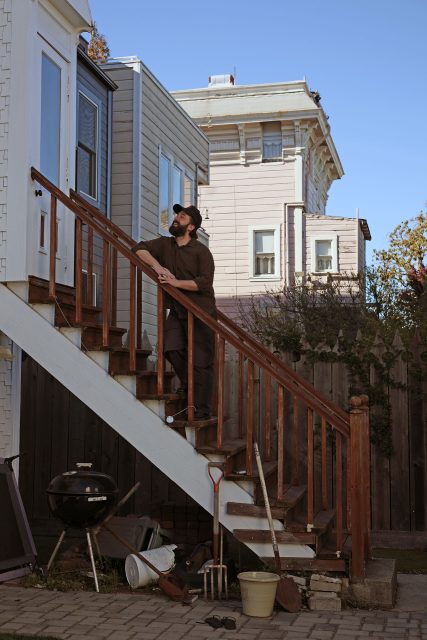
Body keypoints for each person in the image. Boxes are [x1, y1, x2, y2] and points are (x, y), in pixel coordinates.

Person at [132, 204, 216, 420]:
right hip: (178, 310)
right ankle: (189, 385)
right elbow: (139, 248)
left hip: (201, 313)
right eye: (177, 215)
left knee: (200, 362)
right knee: (170, 348)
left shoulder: (201, 251)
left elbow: (204, 283)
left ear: (191, 226)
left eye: (182, 216)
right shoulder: (165, 244)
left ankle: (201, 410)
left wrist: (176, 283)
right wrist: (158, 267)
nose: (176, 218)